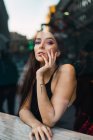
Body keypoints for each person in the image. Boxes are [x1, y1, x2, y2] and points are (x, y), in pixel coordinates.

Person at [19, 31, 77, 140]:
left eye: (49, 42)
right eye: (37, 42)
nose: (41, 46)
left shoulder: (66, 70)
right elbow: (23, 110)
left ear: (58, 51)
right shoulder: (35, 74)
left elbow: (49, 120)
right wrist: (36, 124)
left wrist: (39, 76)